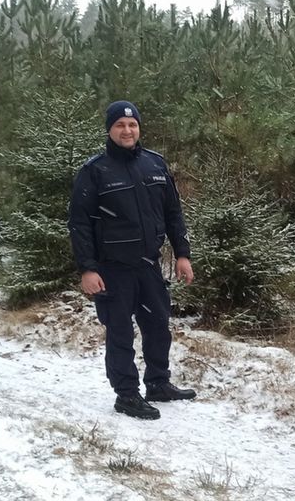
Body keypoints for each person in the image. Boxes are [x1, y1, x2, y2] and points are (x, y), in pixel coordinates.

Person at [68, 100, 196, 421]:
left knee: (158, 326)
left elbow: (173, 213)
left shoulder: (154, 164)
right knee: (120, 332)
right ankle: (126, 394)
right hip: (113, 269)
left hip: (148, 264)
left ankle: (158, 383)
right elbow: (79, 224)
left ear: (139, 128)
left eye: (132, 125)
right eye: (120, 125)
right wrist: (87, 269)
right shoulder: (95, 171)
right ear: (109, 130)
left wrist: (182, 254)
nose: (127, 130)